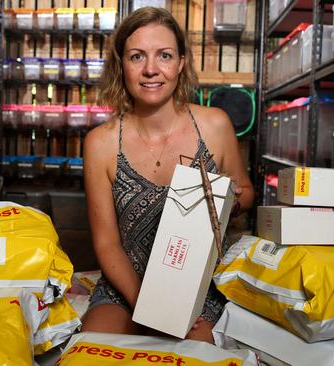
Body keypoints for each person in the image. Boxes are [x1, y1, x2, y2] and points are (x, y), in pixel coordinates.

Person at [81, 6, 253, 343]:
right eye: (136, 57)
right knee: (89, 349)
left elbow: (246, 190)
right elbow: (107, 243)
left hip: (199, 287)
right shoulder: (100, 143)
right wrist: (147, 305)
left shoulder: (215, 125)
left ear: (181, 63)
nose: (150, 70)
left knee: (194, 354)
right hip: (126, 285)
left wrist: (228, 198)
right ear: (121, 66)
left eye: (164, 55)